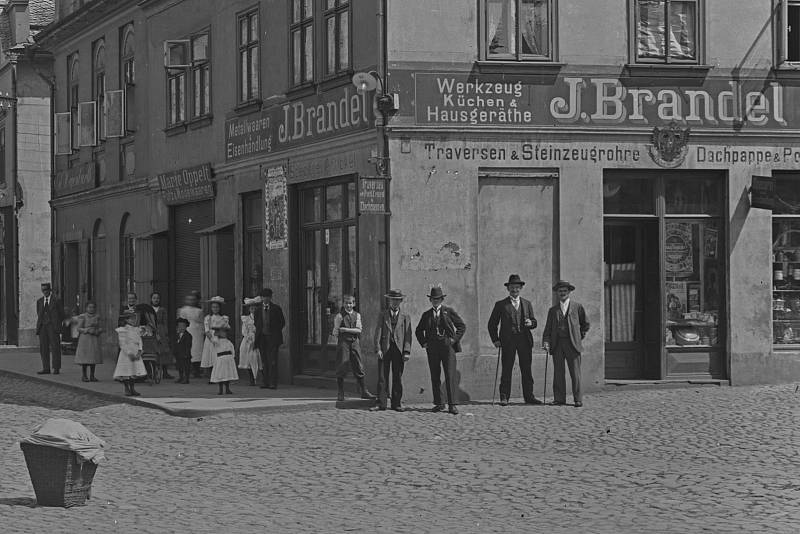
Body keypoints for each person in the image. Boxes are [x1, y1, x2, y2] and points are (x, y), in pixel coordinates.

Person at [488, 274, 541, 406]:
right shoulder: (500, 304)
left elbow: (534, 322)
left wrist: (531, 323)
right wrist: (495, 340)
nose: (515, 290)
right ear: (508, 289)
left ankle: (529, 397)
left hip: (524, 340)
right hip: (508, 341)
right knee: (507, 369)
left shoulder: (527, 304)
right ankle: (504, 397)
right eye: (512, 287)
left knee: (526, 370)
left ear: (521, 288)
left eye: (517, 287)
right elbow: (492, 324)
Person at [415, 286, 466, 415]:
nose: (435, 301)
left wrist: (453, 340)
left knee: (450, 375)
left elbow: (461, 326)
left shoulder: (448, 312)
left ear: (442, 299)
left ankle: (452, 404)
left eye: (438, 299)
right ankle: (439, 403)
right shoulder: (426, 315)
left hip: (447, 347)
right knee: (435, 375)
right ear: (430, 300)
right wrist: (424, 343)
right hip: (432, 348)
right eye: (433, 299)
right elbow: (418, 330)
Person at [542, 280, 590, 408]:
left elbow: (585, 324)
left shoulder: (577, 307)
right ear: (557, 293)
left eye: (564, 291)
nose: (562, 293)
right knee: (558, 372)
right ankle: (559, 399)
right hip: (557, 344)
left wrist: (579, 337)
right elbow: (548, 329)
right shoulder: (553, 310)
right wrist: (546, 342)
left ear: (569, 292)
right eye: (560, 291)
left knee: (575, 373)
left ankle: (578, 399)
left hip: (572, 344)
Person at [372, 289, 412, 411]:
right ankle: (382, 403)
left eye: (397, 300)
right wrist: (378, 348)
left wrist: (406, 351)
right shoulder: (383, 314)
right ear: (389, 300)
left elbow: (408, 335)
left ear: (401, 301)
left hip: (399, 350)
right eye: (392, 300)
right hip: (385, 349)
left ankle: (396, 403)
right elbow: (377, 332)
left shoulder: (405, 316)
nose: (395, 303)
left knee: (397, 377)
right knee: (383, 377)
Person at [333, 295, 375, 401]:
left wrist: (346, 330)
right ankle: (340, 392)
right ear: (343, 304)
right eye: (346, 303)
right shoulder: (339, 316)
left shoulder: (357, 315)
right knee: (342, 366)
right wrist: (341, 338)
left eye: (350, 303)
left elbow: (359, 330)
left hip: (355, 342)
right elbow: (336, 331)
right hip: (343, 343)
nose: (348, 305)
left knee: (359, 365)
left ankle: (364, 391)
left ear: (354, 304)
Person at [254, 288, 285, 389]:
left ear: (270, 297)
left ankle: (273, 382)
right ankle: (265, 381)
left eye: (267, 297)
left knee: (273, 360)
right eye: (263, 297)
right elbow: (256, 322)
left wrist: (274, 331)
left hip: (273, 337)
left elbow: (282, 322)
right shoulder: (258, 310)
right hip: (262, 337)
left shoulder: (276, 308)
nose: (265, 299)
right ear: (261, 298)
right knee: (264, 360)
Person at [113, 310, 147, 396]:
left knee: (134, 371)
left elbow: (140, 340)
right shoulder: (123, 330)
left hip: (135, 352)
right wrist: (129, 353)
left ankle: (132, 388)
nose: (133, 320)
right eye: (131, 319)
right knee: (126, 371)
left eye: (134, 319)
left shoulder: (136, 329)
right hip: (127, 354)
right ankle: (126, 388)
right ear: (126, 320)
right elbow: (122, 343)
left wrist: (140, 351)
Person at [35, 282, 65, 375]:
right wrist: (41, 324)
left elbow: (61, 314)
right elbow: (39, 314)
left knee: (55, 347)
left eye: (46, 290)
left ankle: (56, 368)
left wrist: (56, 323)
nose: (45, 292)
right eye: (43, 290)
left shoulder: (56, 300)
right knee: (43, 348)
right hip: (43, 326)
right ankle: (46, 368)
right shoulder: (39, 301)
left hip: (53, 326)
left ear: (50, 290)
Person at [177, 291, 205, 378]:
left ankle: (196, 369)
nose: (191, 301)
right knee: (187, 349)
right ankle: (186, 370)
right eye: (189, 299)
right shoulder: (182, 310)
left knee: (197, 350)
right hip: (187, 329)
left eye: (193, 299)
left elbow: (202, 321)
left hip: (197, 331)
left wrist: (203, 330)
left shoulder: (199, 311)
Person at [74, 301, 104, 382]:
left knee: (93, 358)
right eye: (89, 307)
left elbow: (101, 327)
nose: (91, 309)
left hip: (94, 339)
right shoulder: (82, 316)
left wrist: (98, 331)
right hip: (85, 339)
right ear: (86, 308)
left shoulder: (97, 316)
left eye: (93, 307)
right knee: (85, 358)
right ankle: (84, 375)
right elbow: (78, 328)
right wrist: (86, 330)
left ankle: (92, 375)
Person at [200, 296, 229, 378]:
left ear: (220, 308)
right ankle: (211, 376)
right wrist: (212, 339)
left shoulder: (224, 318)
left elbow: (225, 329)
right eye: (213, 307)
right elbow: (206, 330)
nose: (215, 309)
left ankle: (219, 375)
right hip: (211, 339)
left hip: (220, 338)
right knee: (210, 356)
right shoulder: (208, 318)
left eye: (217, 307)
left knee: (219, 357)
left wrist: (220, 336)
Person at [238, 296, 262, 386]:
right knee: (249, 359)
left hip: (259, 338)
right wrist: (250, 339)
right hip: (249, 340)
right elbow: (244, 331)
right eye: (251, 307)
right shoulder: (246, 319)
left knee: (259, 358)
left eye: (255, 307)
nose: (253, 309)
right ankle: (251, 378)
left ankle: (261, 377)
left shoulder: (260, 317)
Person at [150, 292, 174, 380]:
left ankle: (165, 372)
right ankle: (152, 371)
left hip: (161, 330)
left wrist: (165, 333)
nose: (156, 300)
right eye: (154, 298)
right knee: (152, 350)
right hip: (151, 330)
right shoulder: (149, 309)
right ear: (151, 299)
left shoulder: (162, 310)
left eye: (157, 298)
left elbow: (165, 322)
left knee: (163, 350)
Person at [209, 324, 237, 395]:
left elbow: (232, 349)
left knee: (227, 374)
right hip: (221, 359)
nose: (223, 334)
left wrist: (232, 357)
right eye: (221, 332)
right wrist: (215, 333)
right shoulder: (217, 341)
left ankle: (227, 389)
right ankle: (220, 389)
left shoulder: (228, 341)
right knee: (221, 375)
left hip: (228, 359)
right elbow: (212, 339)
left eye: (224, 332)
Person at [173, 317, 193, 384]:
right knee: (180, 367)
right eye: (180, 326)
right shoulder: (177, 335)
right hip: (178, 354)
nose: (181, 328)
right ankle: (181, 377)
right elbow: (175, 344)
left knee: (186, 367)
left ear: (186, 327)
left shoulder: (188, 335)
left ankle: (186, 379)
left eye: (183, 326)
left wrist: (186, 354)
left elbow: (188, 346)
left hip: (185, 354)